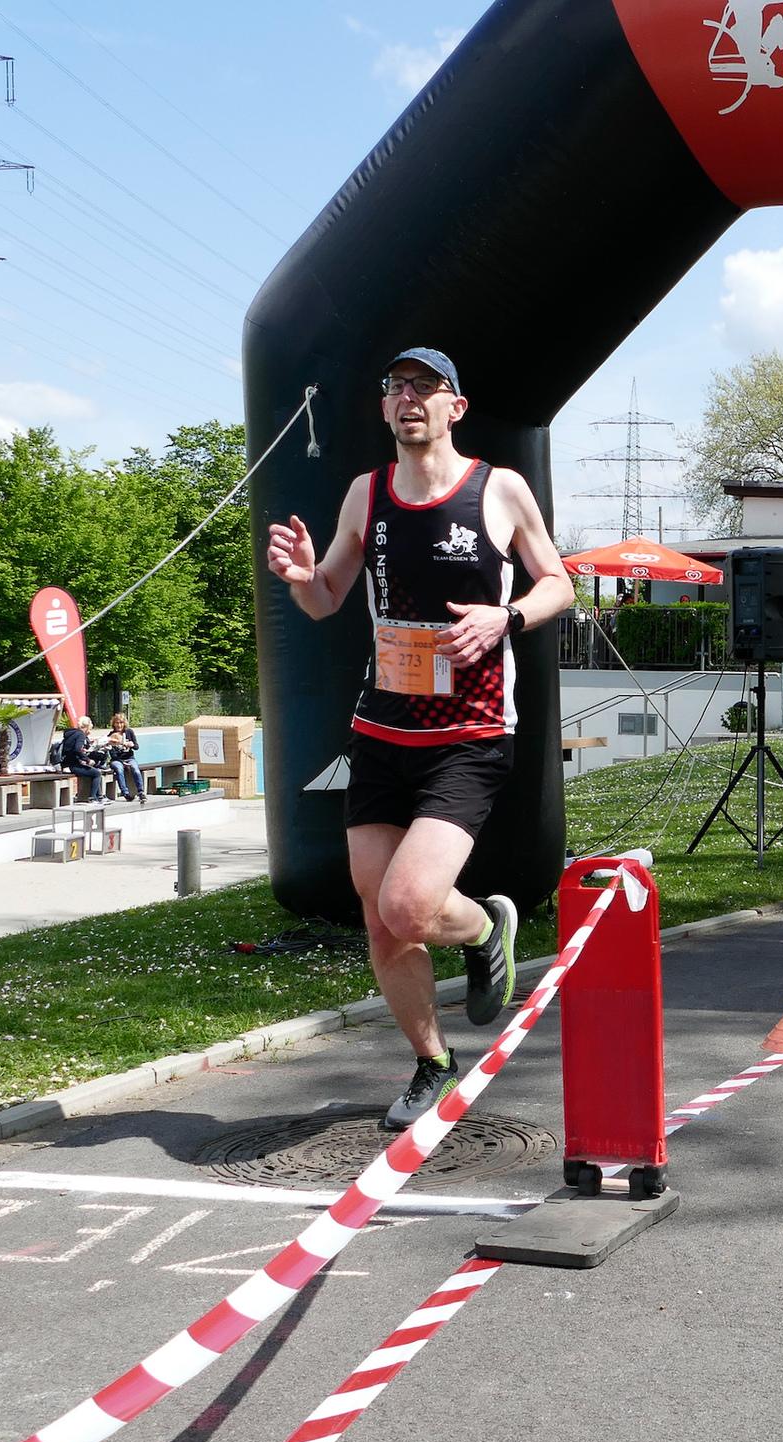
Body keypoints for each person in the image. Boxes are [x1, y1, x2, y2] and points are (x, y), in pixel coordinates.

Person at [266, 346, 573, 1130]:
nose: (408, 399)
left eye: (424, 388)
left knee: (407, 906)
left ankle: (484, 924)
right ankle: (432, 1060)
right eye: (396, 388)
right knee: (378, 915)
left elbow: (559, 583)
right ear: (384, 409)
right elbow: (328, 596)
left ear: (454, 407)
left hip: (469, 735)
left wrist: (506, 618)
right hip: (382, 730)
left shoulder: (498, 490)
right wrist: (304, 578)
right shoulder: (364, 494)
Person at [58, 715, 111, 803]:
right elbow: (77, 749)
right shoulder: (80, 735)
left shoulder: (72, 733)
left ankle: (100, 797)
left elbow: (73, 749)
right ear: (86, 727)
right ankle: (92, 798)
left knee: (93, 771)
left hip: (66, 763)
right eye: (90, 728)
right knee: (97, 773)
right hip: (73, 765)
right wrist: (88, 760)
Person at [104, 712, 146, 800]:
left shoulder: (129, 732)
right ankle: (125, 793)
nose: (119, 725)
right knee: (119, 769)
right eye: (117, 723)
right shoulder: (111, 735)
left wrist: (132, 745)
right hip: (117, 760)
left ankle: (141, 792)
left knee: (135, 769)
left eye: (121, 723)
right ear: (114, 724)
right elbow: (112, 754)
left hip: (129, 758)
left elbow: (136, 747)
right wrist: (122, 762)